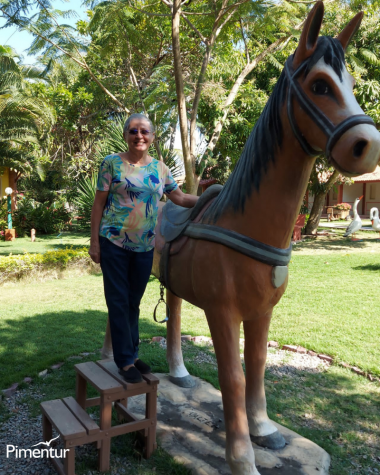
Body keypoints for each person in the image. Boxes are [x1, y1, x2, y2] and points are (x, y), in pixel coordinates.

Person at [89, 113, 198, 383]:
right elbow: (98, 205)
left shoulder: (160, 169)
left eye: (145, 132)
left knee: (133, 302)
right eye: (134, 131)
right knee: (118, 301)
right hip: (113, 242)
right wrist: (94, 242)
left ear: (152, 137)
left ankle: (132, 353)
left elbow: (180, 197)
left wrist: (213, 198)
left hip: (145, 246)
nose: (139, 136)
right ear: (126, 135)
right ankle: (125, 361)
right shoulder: (111, 164)